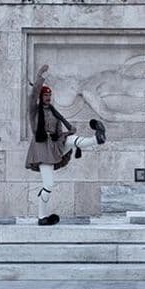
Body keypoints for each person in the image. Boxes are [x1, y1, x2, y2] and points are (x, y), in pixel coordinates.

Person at [25, 64, 107, 226]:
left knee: (73, 139)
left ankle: (97, 139)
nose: (48, 99)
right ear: (41, 98)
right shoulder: (34, 111)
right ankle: (42, 217)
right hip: (42, 150)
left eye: (50, 96)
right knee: (48, 185)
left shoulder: (54, 114)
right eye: (45, 96)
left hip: (55, 145)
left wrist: (68, 134)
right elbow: (33, 95)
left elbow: (58, 134)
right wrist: (40, 77)